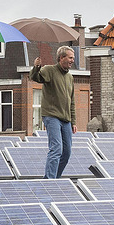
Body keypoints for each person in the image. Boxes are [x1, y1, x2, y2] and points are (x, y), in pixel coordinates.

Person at [31, 46, 77, 179]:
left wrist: (73, 121)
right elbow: (36, 77)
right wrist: (36, 67)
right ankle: (50, 180)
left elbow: (72, 101)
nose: (72, 60)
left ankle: (55, 177)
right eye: (70, 57)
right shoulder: (49, 70)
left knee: (67, 152)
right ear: (61, 58)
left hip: (66, 119)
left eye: (73, 58)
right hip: (51, 117)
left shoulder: (70, 77)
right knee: (56, 148)